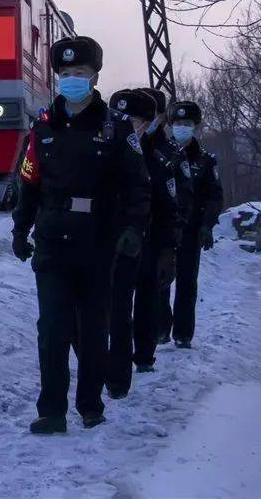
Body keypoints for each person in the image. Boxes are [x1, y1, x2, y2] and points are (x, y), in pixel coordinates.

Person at [11, 36, 151, 434]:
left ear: (95, 77)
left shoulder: (116, 128)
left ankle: (90, 403)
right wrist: (21, 229)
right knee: (52, 329)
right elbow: (29, 182)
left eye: (81, 74)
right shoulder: (42, 128)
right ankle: (51, 410)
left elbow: (138, 185)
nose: (72, 81)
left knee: (93, 328)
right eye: (66, 74)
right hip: (53, 240)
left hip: (98, 241)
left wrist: (133, 229)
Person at [106, 88, 178, 397]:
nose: (129, 125)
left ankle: (142, 355)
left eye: (135, 120)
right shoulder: (106, 150)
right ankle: (115, 373)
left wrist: (167, 249)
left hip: (147, 242)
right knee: (114, 310)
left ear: (151, 122)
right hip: (112, 242)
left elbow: (170, 209)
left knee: (144, 301)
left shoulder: (160, 158)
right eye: (122, 118)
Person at [162, 100, 223, 348]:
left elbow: (214, 197)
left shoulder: (206, 161)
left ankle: (183, 333)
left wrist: (207, 225)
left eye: (187, 124)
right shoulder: (162, 154)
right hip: (163, 229)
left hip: (191, 230)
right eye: (177, 124)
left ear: (196, 128)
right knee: (160, 279)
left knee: (187, 282)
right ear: (170, 126)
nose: (182, 128)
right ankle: (159, 329)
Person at [140, 87, 194, 345]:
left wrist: (178, 230)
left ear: (161, 118)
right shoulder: (128, 147)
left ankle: (163, 330)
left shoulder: (172, 153)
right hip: (135, 229)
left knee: (163, 282)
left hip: (164, 230)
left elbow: (183, 196)